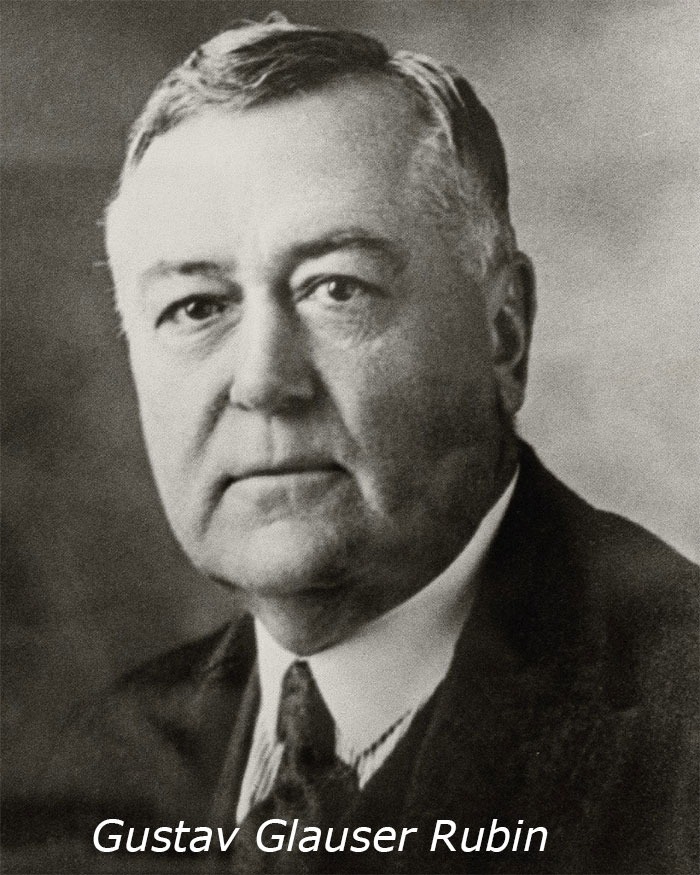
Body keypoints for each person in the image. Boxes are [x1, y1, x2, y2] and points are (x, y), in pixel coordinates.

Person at [3, 16, 697, 874]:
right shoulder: (94, 762)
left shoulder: (681, 727)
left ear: (504, 332)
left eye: (337, 288)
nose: (263, 380)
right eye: (196, 307)